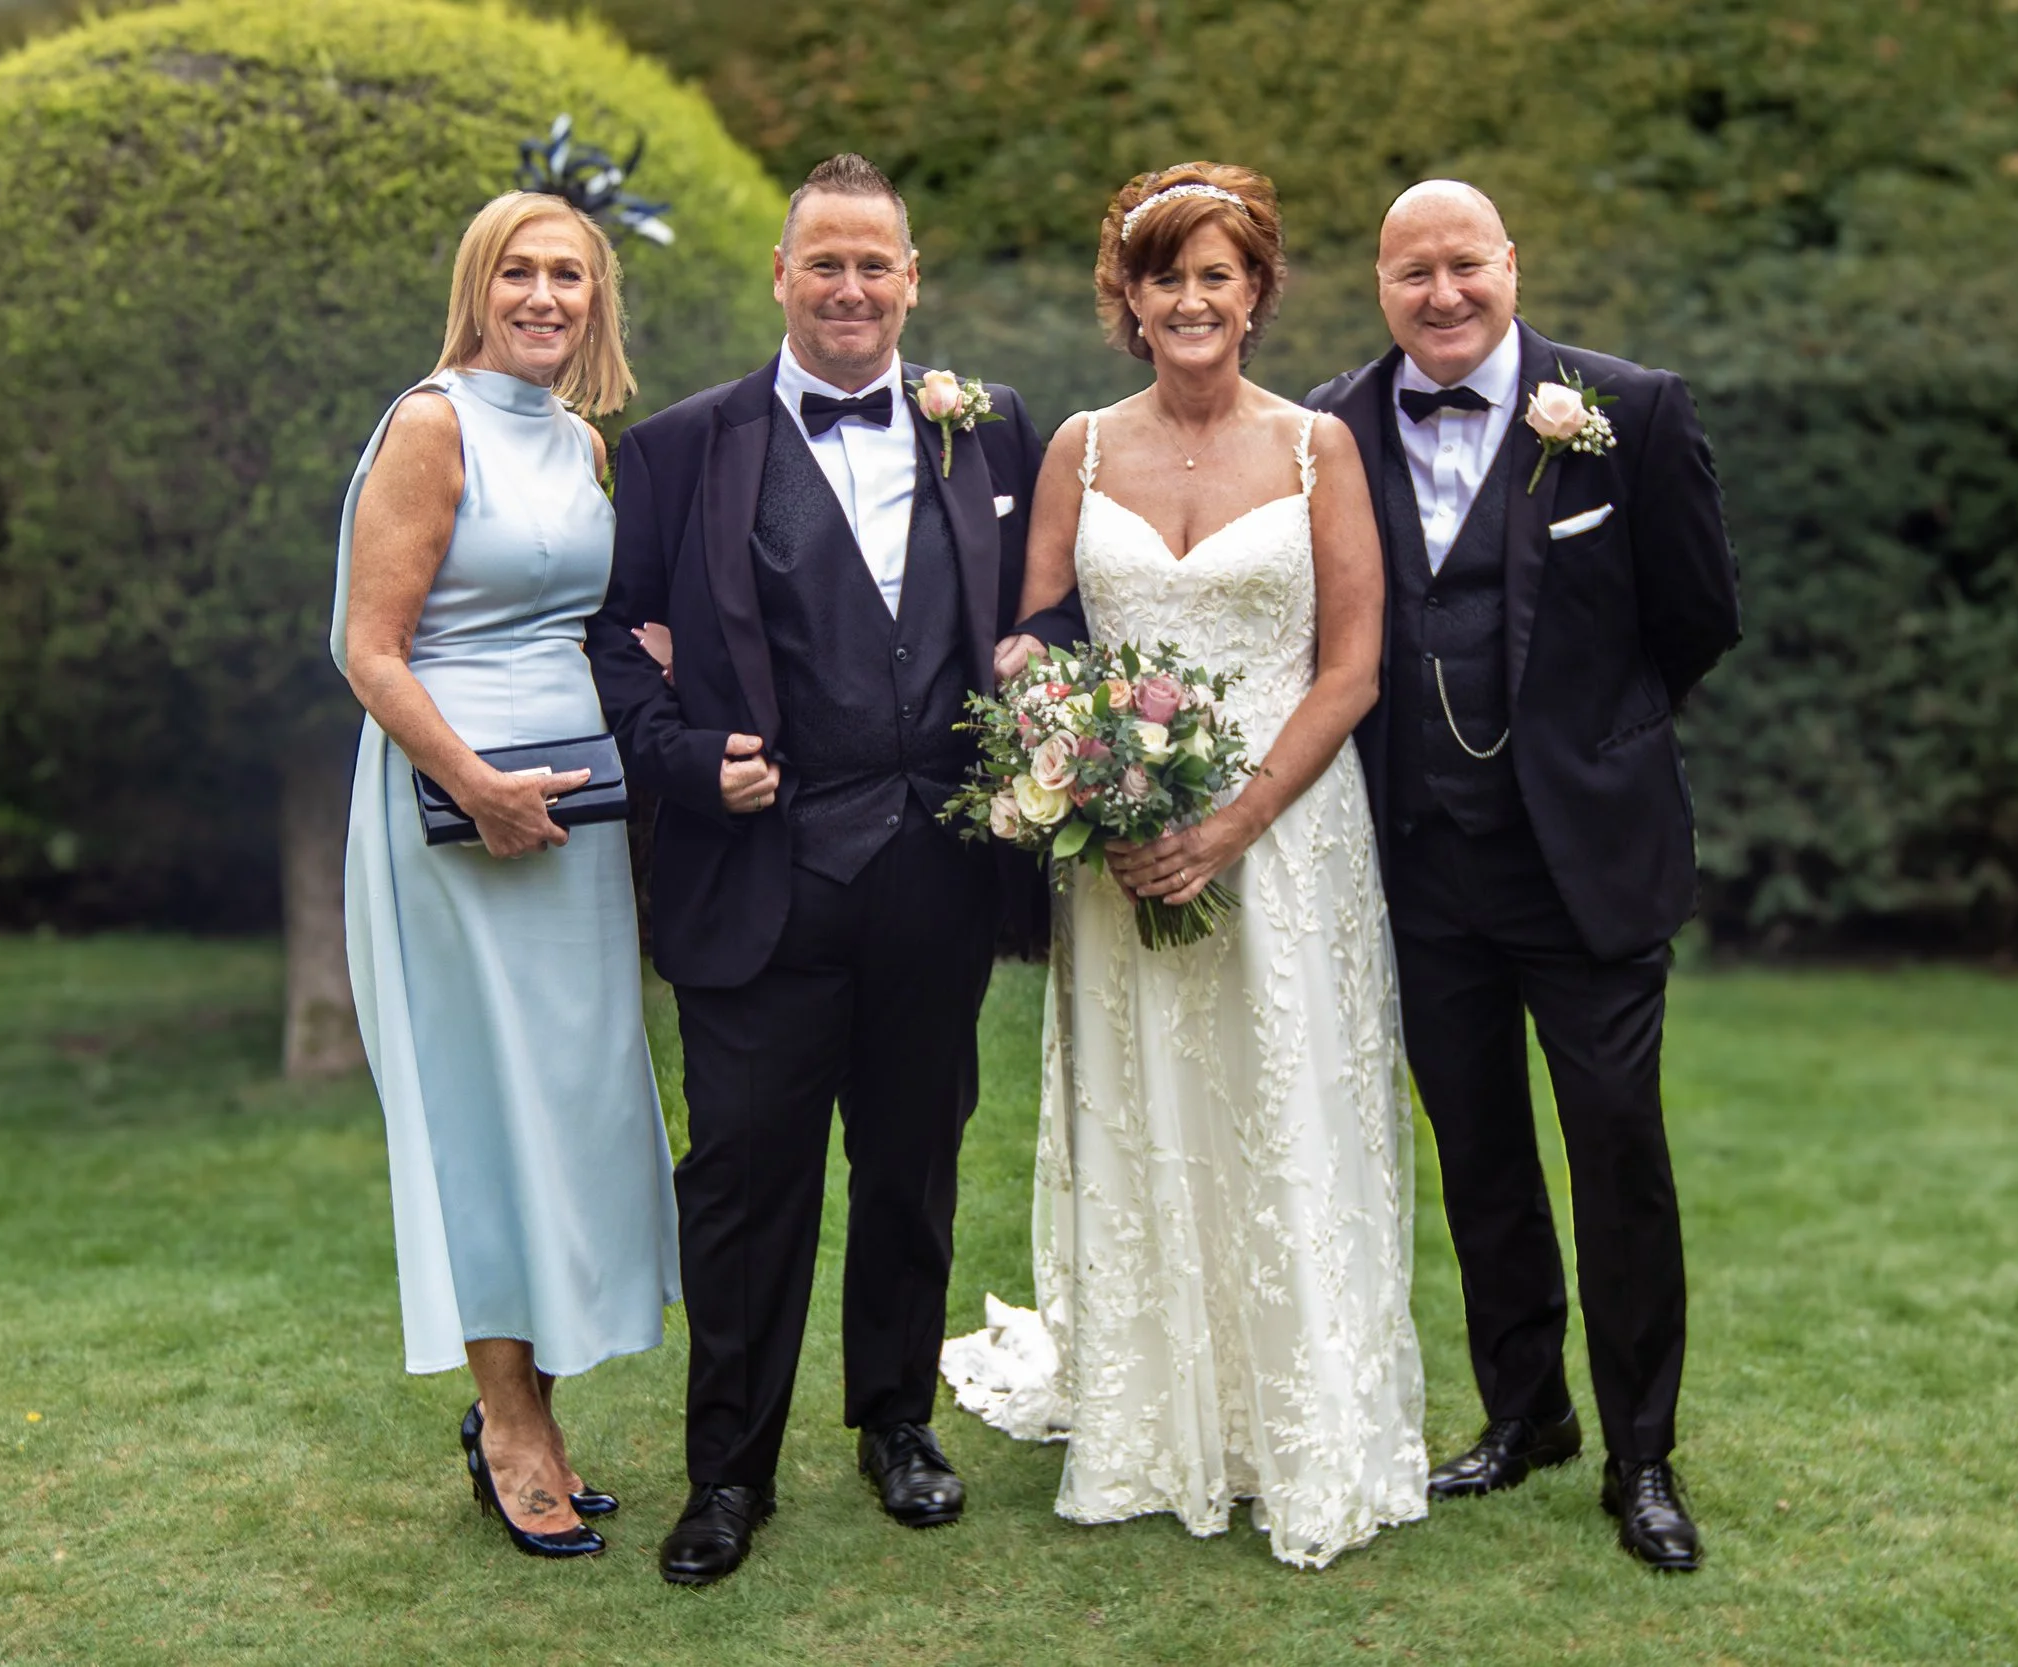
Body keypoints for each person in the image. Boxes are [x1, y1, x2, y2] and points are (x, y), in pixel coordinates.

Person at [587, 154, 1080, 1587]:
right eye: (826, 264)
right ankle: (728, 1472)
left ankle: (897, 1422)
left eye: (877, 264)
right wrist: (686, 761)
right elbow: (618, 641)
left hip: (939, 865)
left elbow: (1055, 606)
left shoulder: (988, 433)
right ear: (783, 279)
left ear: (911, 279)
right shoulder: (683, 447)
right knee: (746, 1179)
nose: (852, 287)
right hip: (758, 871)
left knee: (914, 1162)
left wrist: (1039, 663)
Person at [960, 162, 1431, 1569]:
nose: (1189, 300)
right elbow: (1038, 620)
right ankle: (1150, 1418)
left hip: (1285, 838)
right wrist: (1047, 701)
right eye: (1164, 276)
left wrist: (1229, 823)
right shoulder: (1082, 451)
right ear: (1128, 296)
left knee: (1280, 1100)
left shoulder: (1317, 450)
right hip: (1118, 839)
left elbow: (1353, 669)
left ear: (1258, 292)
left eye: (1216, 274)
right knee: (1149, 1101)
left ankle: (1294, 1419)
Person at [1305, 181, 1741, 1571]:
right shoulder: (1330, 424)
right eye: (1413, 271)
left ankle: (1644, 1454)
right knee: (1480, 1153)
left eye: (1465, 266)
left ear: (1510, 267)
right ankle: (1525, 1412)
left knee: (1617, 1153)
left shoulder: (1632, 409)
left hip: (1586, 867)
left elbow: (1696, 616)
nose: (1443, 295)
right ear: (1380, 283)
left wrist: (1584, 742)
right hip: (1422, 868)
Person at [330, 190, 679, 1561]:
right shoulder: (430, 425)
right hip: (448, 813)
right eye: (521, 273)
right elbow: (370, 647)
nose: (547, 297)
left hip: (575, 814)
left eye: (572, 277)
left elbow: (582, 622)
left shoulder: (585, 443)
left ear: (598, 300)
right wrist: (473, 784)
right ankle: (511, 1421)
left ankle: (526, 1401)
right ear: (480, 287)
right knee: (482, 1108)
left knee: (573, 1105)